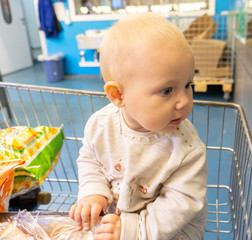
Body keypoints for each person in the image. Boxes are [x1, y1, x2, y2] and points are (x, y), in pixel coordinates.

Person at [69, 12, 208, 240]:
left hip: (172, 228)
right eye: (167, 91)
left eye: (187, 84)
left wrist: (133, 231)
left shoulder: (187, 148)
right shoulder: (100, 126)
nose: (184, 100)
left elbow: (180, 204)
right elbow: (91, 160)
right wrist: (93, 193)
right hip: (121, 215)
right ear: (118, 95)